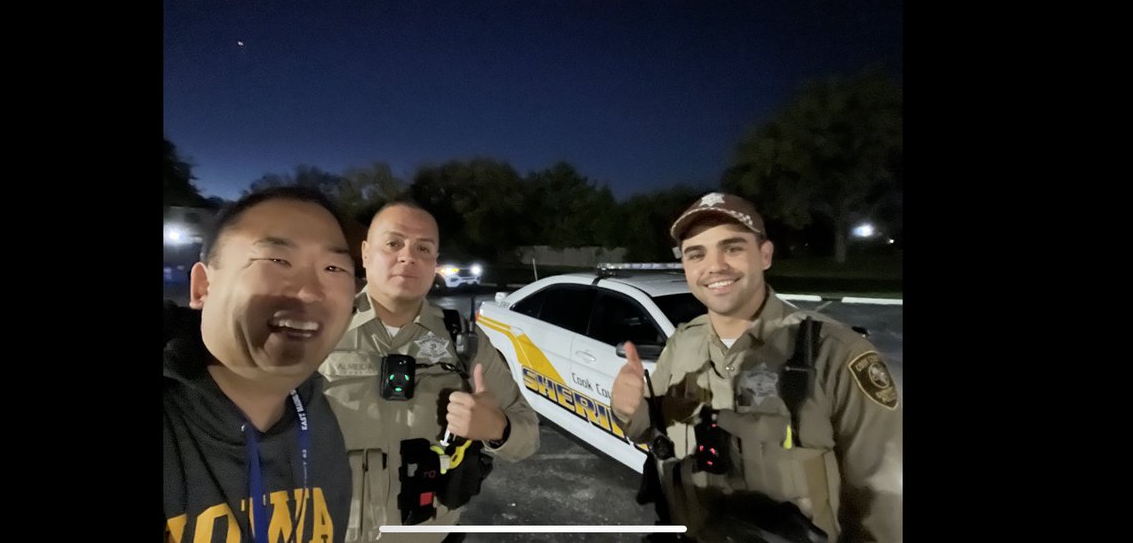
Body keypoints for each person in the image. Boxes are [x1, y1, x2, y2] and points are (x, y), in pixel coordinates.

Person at [610, 192, 902, 542]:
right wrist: (629, 410)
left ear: (765, 255)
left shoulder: (834, 353)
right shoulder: (683, 342)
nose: (714, 266)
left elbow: (884, 501)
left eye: (732, 248)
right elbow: (651, 432)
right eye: (696, 254)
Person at [319, 201, 540, 542]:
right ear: (365, 253)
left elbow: (528, 437)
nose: (408, 257)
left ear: (434, 263)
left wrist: (497, 428)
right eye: (393, 244)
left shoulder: (463, 339)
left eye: (424, 248)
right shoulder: (317, 329)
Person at [164, 186, 358, 543]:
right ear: (203, 286)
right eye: (277, 260)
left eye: (334, 268)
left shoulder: (318, 414)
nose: (311, 291)